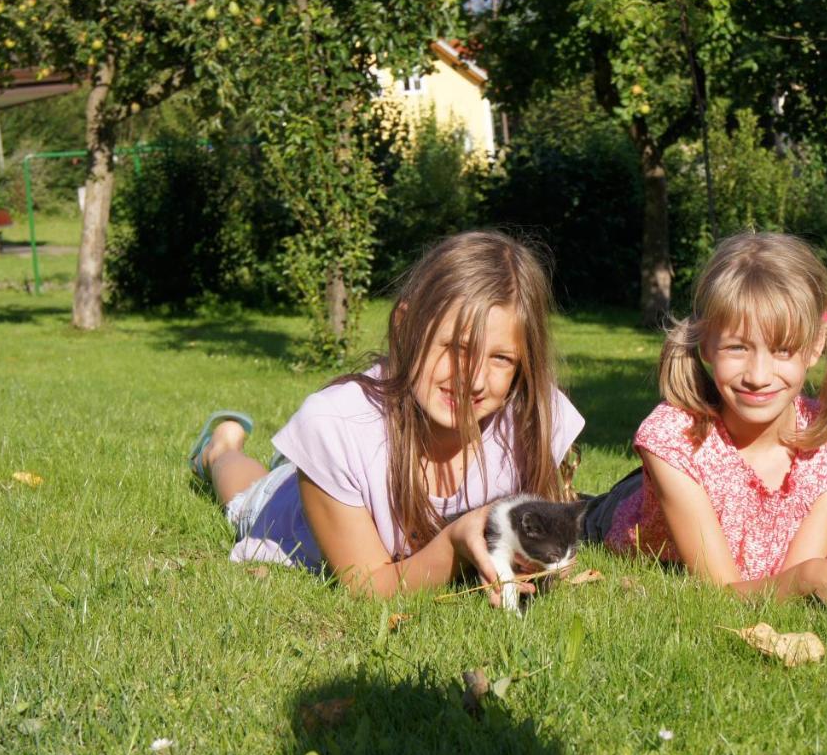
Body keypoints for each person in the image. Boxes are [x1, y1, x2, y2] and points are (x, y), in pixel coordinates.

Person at [187, 231, 585, 605]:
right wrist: (451, 547)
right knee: (249, 494)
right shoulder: (336, 425)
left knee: (298, 472)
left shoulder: (533, 417)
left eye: (500, 358)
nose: (475, 380)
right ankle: (220, 447)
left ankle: (300, 467)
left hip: (341, 480)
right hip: (292, 514)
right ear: (405, 327)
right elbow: (367, 583)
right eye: (458, 348)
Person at [584, 232, 827, 605]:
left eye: (782, 350)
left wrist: (811, 575)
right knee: (570, 512)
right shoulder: (672, 439)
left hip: (752, 535)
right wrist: (810, 577)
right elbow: (724, 593)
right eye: (737, 347)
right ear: (706, 344)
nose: (758, 375)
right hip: (640, 510)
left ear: (815, 346)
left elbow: (796, 573)